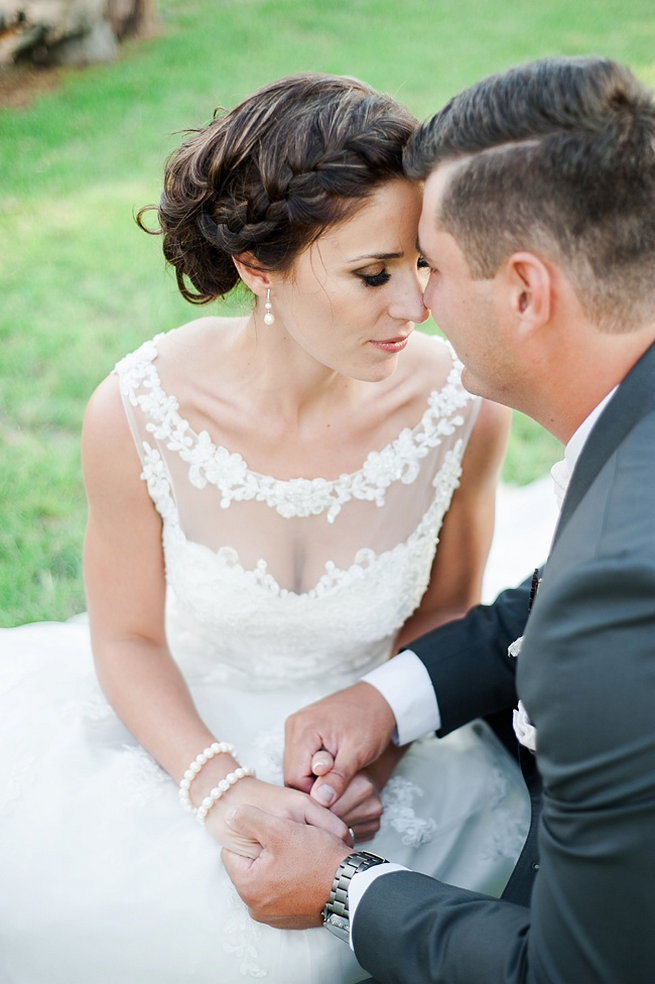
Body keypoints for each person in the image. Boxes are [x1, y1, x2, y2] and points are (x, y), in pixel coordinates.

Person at [0, 73, 530, 984]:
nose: (414, 307)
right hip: (177, 731)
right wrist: (220, 790)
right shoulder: (135, 412)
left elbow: (444, 610)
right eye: (372, 274)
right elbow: (125, 637)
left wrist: (377, 752)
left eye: (422, 265)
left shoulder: (464, 407)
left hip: (382, 756)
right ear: (257, 268)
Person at [221, 56, 655, 983]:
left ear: (526, 293)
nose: (421, 305)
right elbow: (546, 604)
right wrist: (385, 699)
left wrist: (341, 888)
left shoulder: (616, 594)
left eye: (438, 269)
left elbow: (575, 973)